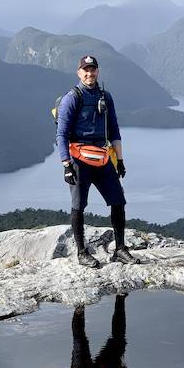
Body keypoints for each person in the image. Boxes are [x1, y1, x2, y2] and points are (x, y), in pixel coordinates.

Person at [56, 55, 140, 267]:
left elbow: (114, 129)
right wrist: (66, 165)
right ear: (79, 72)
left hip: (103, 158)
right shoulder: (72, 98)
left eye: (92, 69)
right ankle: (82, 253)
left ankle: (120, 249)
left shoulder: (106, 97)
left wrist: (119, 159)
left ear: (97, 71)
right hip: (79, 160)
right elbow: (61, 134)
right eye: (85, 70)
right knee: (78, 205)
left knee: (118, 201)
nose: (89, 73)